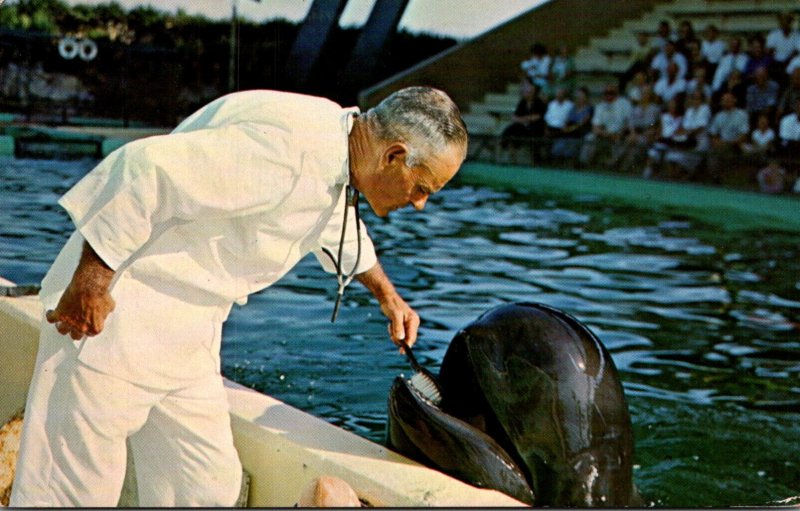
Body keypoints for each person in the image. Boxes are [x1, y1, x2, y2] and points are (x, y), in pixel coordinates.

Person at [9, 86, 468, 507]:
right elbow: (145, 169)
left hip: (188, 333)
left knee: (204, 486)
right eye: (423, 188)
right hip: (115, 319)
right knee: (70, 491)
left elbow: (328, 223)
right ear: (394, 155)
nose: (420, 203)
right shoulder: (290, 152)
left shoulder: (338, 147)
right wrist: (90, 280)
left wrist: (387, 296)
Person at [579, 84, 632, 167]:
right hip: (604, 134)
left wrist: (619, 133)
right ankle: (583, 162)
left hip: (619, 133)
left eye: (611, 93)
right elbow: (595, 127)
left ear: (616, 93)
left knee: (627, 139)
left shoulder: (624, 104)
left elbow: (628, 122)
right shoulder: (600, 106)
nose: (608, 95)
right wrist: (606, 134)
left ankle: (613, 164)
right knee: (590, 137)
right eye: (606, 93)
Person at [707, 91, 750, 181]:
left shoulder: (741, 114)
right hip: (722, 144)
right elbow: (713, 133)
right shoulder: (719, 116)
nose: (726, 102)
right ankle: (715, 178)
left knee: (723, 150)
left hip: (736, 144)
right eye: (724, 100)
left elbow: (744, 135)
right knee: (712, 150)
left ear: (734, 100)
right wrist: (716, 141)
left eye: (728, 100)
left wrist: (729, 143)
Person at [499, 79, 546, 162]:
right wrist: (524, 119)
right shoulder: (522, 102)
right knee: (510, 129)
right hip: (523, 126)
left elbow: (537, 117)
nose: (526, 93)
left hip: (535, 127)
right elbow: (514, 117)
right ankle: (505, 147)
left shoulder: (539, 102)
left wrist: (523, 119)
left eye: (528, 92)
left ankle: (537, 160)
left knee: (533, 135)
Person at [550, 86, 593, 161]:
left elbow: (583, 122)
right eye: (577, 96)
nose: (578, 98)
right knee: (557, 148)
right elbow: (567, 120)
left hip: (579, 131)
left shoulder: (589, 108)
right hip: (568, 131)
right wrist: (565, 127)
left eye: (581, 96)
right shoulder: (573, 107)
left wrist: (570, 129)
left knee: (569, 150)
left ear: (586, 97)